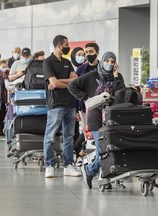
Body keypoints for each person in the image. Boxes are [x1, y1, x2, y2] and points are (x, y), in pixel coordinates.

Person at [68, 51, 125, 189]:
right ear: (102, 61)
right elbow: (72, 86)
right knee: (103, 152)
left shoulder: (118, 77)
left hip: (112, 118)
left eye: (112, 62)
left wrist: (116, 77)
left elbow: (120, 96)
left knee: (113, 150)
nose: (110, 64)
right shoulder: (92, 76)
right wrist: (86, 98)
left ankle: (105, 176)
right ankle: (90, 170)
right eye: (107, 61)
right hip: (96, 119)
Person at [43, 35, 81, 178]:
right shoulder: (48, 62)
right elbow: (55, 83)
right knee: (50, 136)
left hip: (70, 104)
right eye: (66, 44)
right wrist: (66, 81)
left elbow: (74, 81)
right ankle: (49, 165)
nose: (68, 47)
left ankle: (68, 165)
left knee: (69, 137)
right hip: (56, 105)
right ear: (59, 46)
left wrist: (59, 82)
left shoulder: (67, 62)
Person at [0, 59, 10, 136]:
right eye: (3, 67)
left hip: (6, 97)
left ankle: (6, 129)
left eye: (6, 66)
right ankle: (0, 130)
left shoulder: (8, 73)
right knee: (1, 114)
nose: (4, 68)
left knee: (6, 114)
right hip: (0, 97)